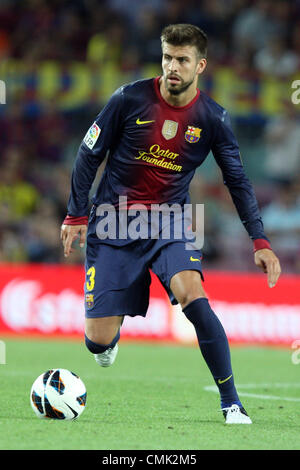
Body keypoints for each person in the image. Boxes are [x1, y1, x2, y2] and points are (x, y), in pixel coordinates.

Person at [61, 24, 281, 424]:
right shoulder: (128, 99)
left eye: (182, 60)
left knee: (194, 298)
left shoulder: (213, 118)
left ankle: (231, 402)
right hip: (114, 222)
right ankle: (109, 336)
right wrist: (76, 213)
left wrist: (260, 240)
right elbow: (88, 153)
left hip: (171, 221)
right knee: (97, 343)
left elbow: (238, 181)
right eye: (167, 57)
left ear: (201, 65)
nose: (172, 67)